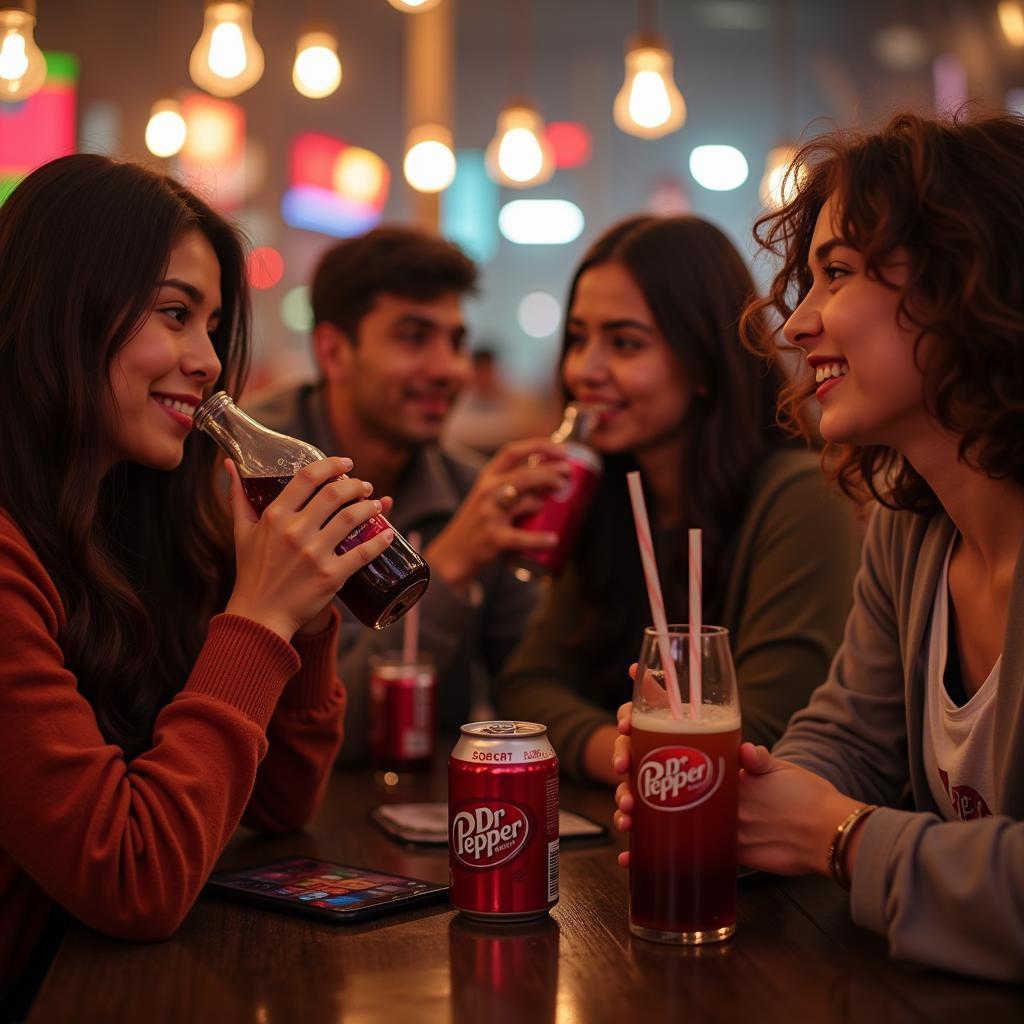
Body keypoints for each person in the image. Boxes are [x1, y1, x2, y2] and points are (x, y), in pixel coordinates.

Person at [614, 112, 1024, 981]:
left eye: (835, 273)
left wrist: (838, 837)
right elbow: (852, 740)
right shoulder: (915, 524)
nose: (796, 325)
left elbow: (846, 811)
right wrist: (739, 810)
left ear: (969, 279)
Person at [0, 155, 394, 1014]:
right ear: (62, 311)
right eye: (175, 314)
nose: (209, 361)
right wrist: (257, 618)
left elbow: (282, 802)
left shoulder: (134, 522)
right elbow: (133, 878)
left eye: (213, 326)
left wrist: (304, 611)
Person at [497, 214, 862, 784]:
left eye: (624, 343)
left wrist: (638, 755)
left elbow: (766, 733)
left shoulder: (798, 497)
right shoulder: (607, 495)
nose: (584, 370)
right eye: (577, 338)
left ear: (701, 361)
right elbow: (526, 688)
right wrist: (629, 757)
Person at [247, 227, 568, 758]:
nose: (450, 369)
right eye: (414, 337)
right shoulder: (254, 484)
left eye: (456, 341)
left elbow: (532, 687)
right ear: (333, 351)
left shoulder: (470, 493)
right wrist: (450, 565)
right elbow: (290, 731)